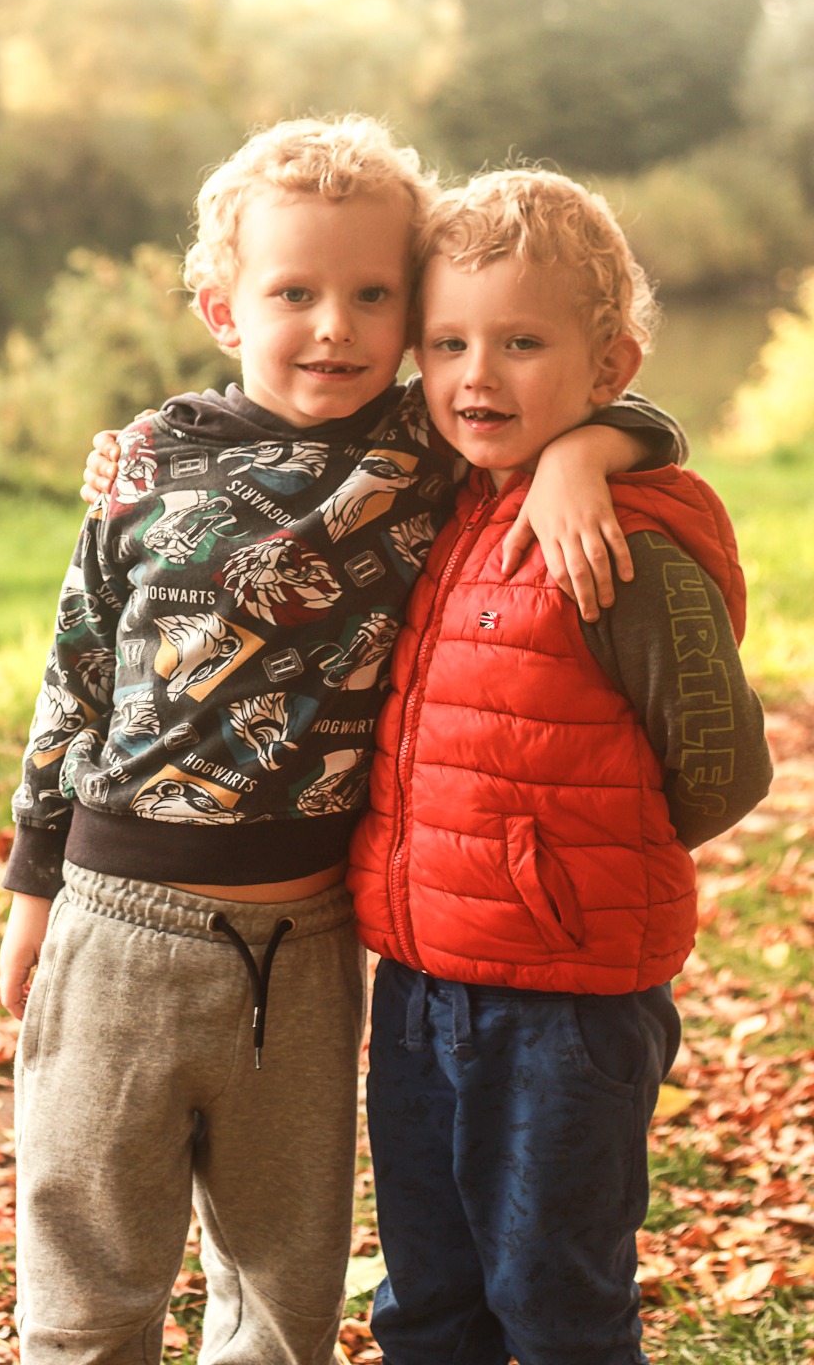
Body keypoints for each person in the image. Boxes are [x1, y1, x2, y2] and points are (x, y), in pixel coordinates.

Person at [0, 118, 685, 1365]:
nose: (337, 327)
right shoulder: (149, 461)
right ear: (221, 306)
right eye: (295, 294)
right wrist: (33, 885)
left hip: (309, 941)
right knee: (91, 1274)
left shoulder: (424, 447)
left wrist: (586, 452)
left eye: (376, 296)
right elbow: (78, 671)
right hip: (117, 916)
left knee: (282, 1289)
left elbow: (612, 398)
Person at [346, 168, 774, 1365]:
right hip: (422, 986)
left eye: (521, 342)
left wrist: (566, 853)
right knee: (427, 1298)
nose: (476, 376)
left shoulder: (617, 543)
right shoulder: (442, 495)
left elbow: (723, 769)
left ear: (609, 366)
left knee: (553, 1304)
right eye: (447, 343)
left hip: (565, 1006)